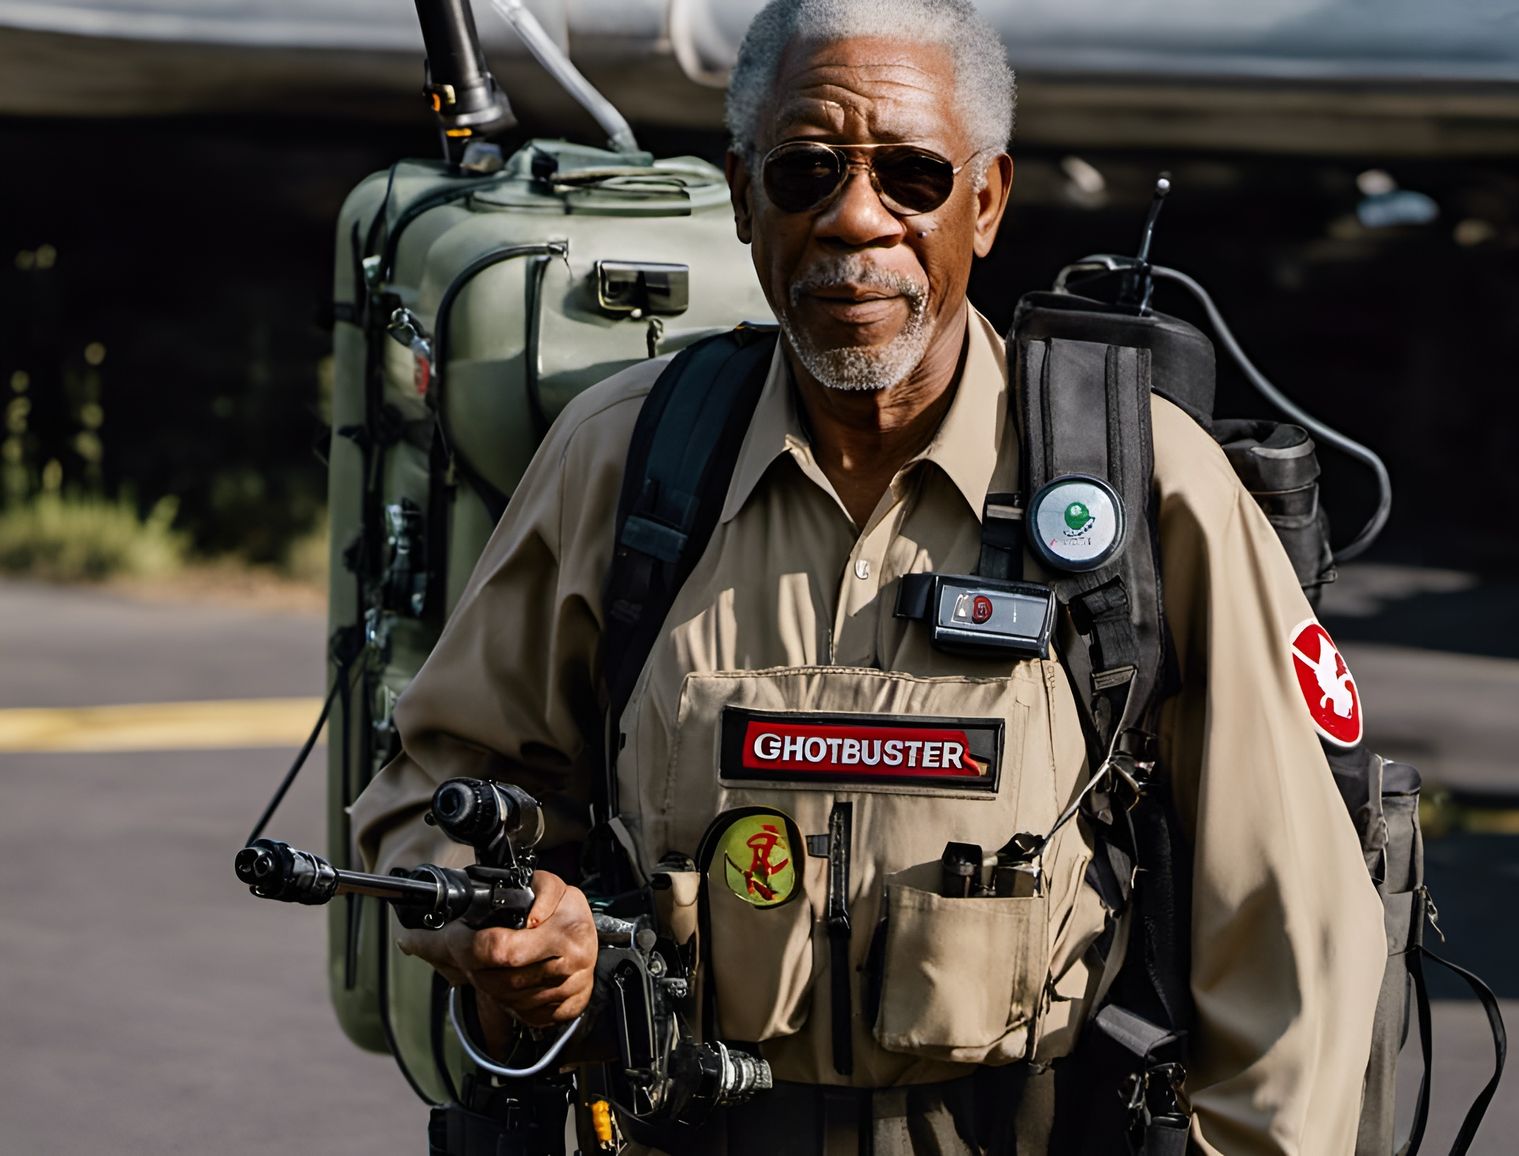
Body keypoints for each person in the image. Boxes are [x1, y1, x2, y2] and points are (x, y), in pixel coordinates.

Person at [350, 1, 1385, 1151]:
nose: (854, 217)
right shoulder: (623, 460)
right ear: (743, 198)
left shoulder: (1152, 489)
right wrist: (499, 920)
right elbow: (428, 787)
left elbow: (1294, 930)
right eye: (802, 172)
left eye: (912, 175)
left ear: (984, 202)